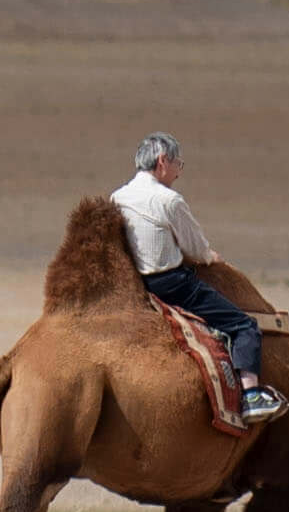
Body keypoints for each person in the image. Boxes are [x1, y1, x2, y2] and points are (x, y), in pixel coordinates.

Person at [109, 131, 277, 424]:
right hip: (173, 285)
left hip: (136, 286)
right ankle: (251, 396)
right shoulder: (169, 199)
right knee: (244, 326)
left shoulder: (117, 197)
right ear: (163, 161)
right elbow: (195, 248)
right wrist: (211, 257)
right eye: (178, 165)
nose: (178, 172)